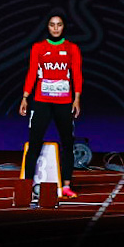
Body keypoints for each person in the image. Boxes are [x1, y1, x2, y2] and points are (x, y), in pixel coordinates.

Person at [18, 12, 82, 198]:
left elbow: (77, 74)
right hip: (42, 102)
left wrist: (77, 99)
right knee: (34, 143)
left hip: (64, 102)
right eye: (52, 24)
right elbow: (32, 73)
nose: (55, 28)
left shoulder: (72, 48)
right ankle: (27, 185)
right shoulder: (38, 47)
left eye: (59, 24)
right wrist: (25, 97)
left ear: (64, 27)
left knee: (67, 143)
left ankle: (66, 185)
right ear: (47, 27)